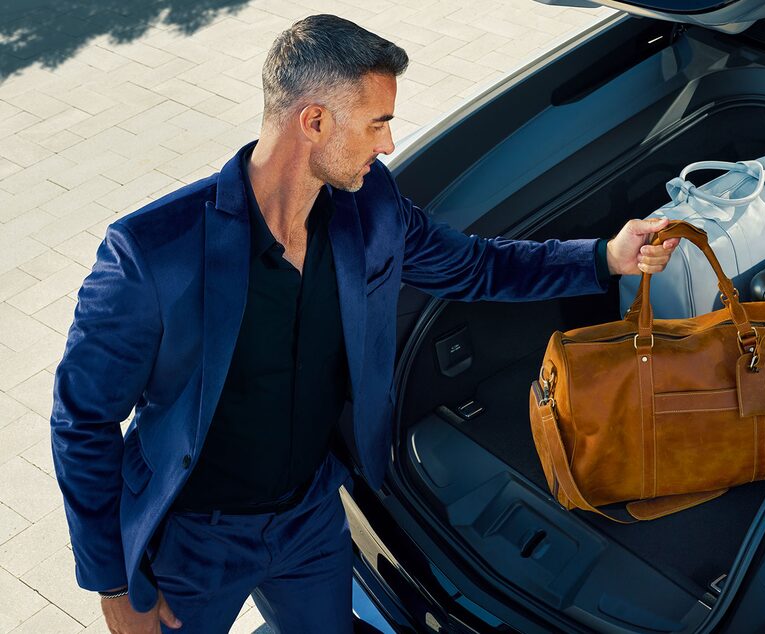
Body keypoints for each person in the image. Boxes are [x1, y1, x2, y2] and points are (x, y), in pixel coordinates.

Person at [49, 14, 679, 634]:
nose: (388, 145)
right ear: (314, 121)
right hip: (193, 540)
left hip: (311, 521)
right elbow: (82, 417)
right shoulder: (152, 253)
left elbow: (476, 266)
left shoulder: (369, 205)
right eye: (378, 123)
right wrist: (111, 582)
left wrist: (603, 258)